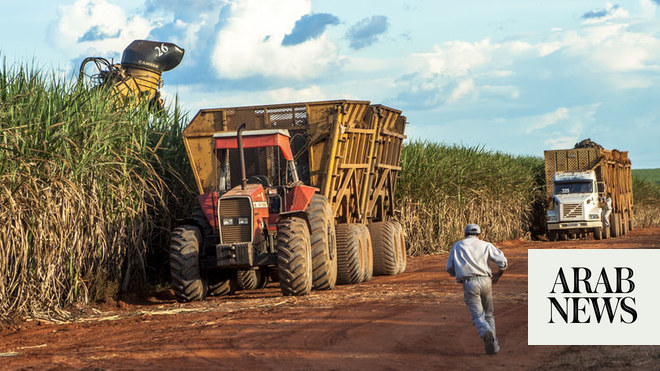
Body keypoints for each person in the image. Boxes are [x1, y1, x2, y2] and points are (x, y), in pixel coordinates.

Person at [446, 224, 508, 355]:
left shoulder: (457, 246)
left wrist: (457, 274)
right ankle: (494, 346)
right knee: (489, 313)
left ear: (465, 234)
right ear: (480, 235)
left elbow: (449, 267)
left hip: (469, 282)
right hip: (486, 280)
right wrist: (499, 274)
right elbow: (503, 262)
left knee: (478, 316)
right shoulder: (486, 245)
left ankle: (486, 331)